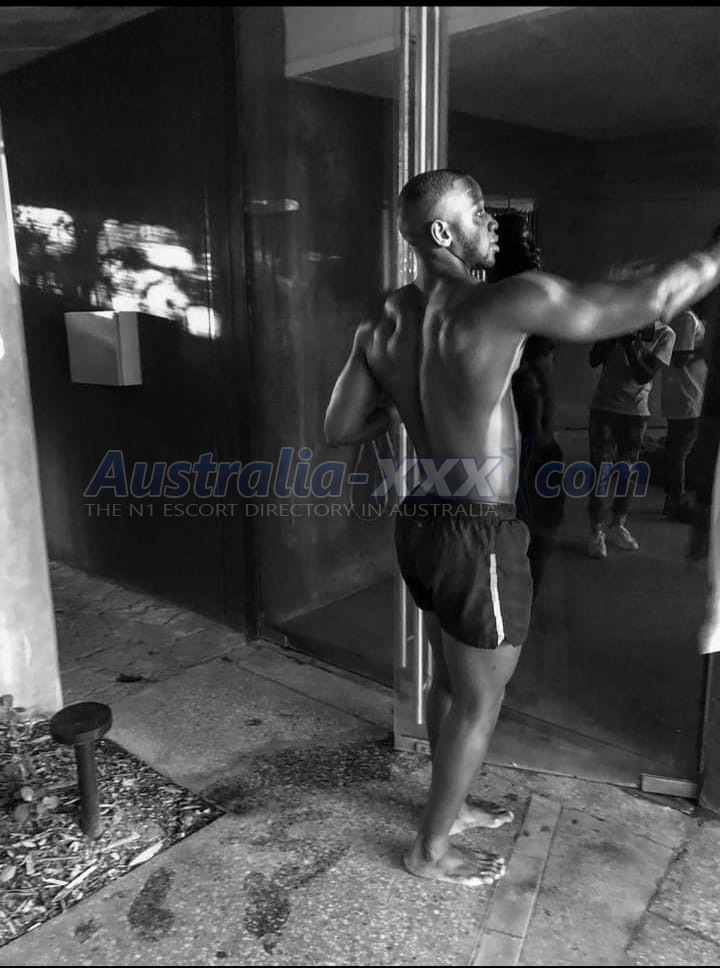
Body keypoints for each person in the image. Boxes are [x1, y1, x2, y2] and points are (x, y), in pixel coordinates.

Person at [324, 168, 720, 887]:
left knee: (451, 682)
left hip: (423, 518)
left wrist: (411, 395)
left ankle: (448, 809)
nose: (492, 222)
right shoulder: (502, 302)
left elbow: (340, 426)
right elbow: (654, 299)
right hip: (477, 532)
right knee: (481, 700)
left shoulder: (385, 319)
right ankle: (429, 851)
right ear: (441, 232)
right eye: (478, 210)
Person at [490, 209, 565, 596]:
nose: (534, 253)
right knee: (530, 521)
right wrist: (542, 434)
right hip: (518, 428)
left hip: (514, 429)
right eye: (524, 244)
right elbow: (539, 372)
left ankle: (517, 597)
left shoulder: (494, 298)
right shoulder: (523, 297)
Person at [585, 263, 676, 559]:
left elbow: (643, 375)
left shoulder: (665, 335)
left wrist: (628, 346)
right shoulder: (615, 323)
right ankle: (596, 531)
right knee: (601, 473)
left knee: (627, 474)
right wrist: (614, 333)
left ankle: (618, 525)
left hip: (636, 413)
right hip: (604, 408)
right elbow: (593, 359)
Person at [661, 306, 707, 522]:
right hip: (688, 395)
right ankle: (675, 501)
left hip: (684, 394)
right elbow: (680, 358)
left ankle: (673, 500)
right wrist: (706, 350)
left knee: (677, 450)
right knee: (679, 452)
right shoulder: (686, 318)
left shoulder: (679, 317)